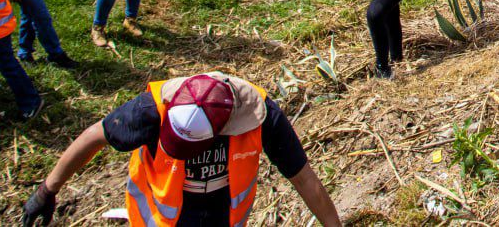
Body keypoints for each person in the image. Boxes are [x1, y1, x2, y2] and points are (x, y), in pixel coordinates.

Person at [21, 71, 342, 227]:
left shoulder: (263, 117)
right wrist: (46, 191)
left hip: (223, 215)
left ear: (220, 132)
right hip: (163, 217)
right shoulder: (149, 111)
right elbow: (94, 136)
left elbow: (306, 180)